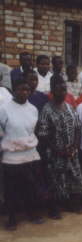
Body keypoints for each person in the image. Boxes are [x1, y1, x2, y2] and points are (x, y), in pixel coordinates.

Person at [37, 75, 82, 218]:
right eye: (59, 90)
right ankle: (54, 209)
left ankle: (74, 204)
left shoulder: (70, 108)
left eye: (64, 89)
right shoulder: (46, 110)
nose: (63, 92)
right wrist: (58, 150)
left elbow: (78, 127)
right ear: (52, 90)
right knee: (55, 180)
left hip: (71, 151)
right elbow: (43, 135)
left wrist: (75, 146)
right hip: (55, 153)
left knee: (75, 177)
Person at [0, 79, 44, 230]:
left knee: (31, 187)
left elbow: (33, 130)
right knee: (12, 189)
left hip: (31, 154)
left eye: (27, 90)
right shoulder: (4, 109)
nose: (24, 92)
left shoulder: (32, 109)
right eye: (20, 89)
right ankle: (12, 218)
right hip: (11, 156)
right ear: (14, 90)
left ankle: (32, 213)